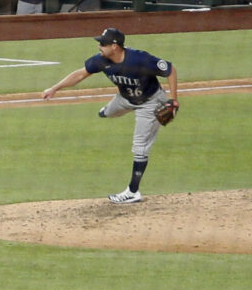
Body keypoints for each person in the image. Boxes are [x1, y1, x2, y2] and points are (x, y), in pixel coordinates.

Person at [39, 26, 179, 204]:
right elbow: (80, 74)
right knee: (108, 112)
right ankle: (109, 111)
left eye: (103, 44)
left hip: (150, 103)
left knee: (140, 147)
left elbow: (170, 69)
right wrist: (54, 89)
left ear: (115, 46)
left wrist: (173, 100)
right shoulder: (101, 61)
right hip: (124, 98)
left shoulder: (140, 59)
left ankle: (133, 192)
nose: (99, 47)